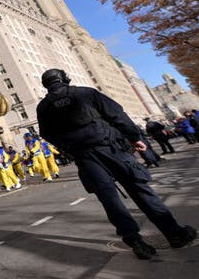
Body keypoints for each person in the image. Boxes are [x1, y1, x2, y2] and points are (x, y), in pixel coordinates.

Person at [36, 68, 196, 260]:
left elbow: (46, 134)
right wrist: (135, 137)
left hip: (84, 157)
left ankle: (134, 241)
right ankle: (175, 234)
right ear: (65, 78)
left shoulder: (44, 107)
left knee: (109, 199)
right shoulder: (86, 93)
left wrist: (69, 148)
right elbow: (116, 114)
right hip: (112, 149)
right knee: (140, 189)